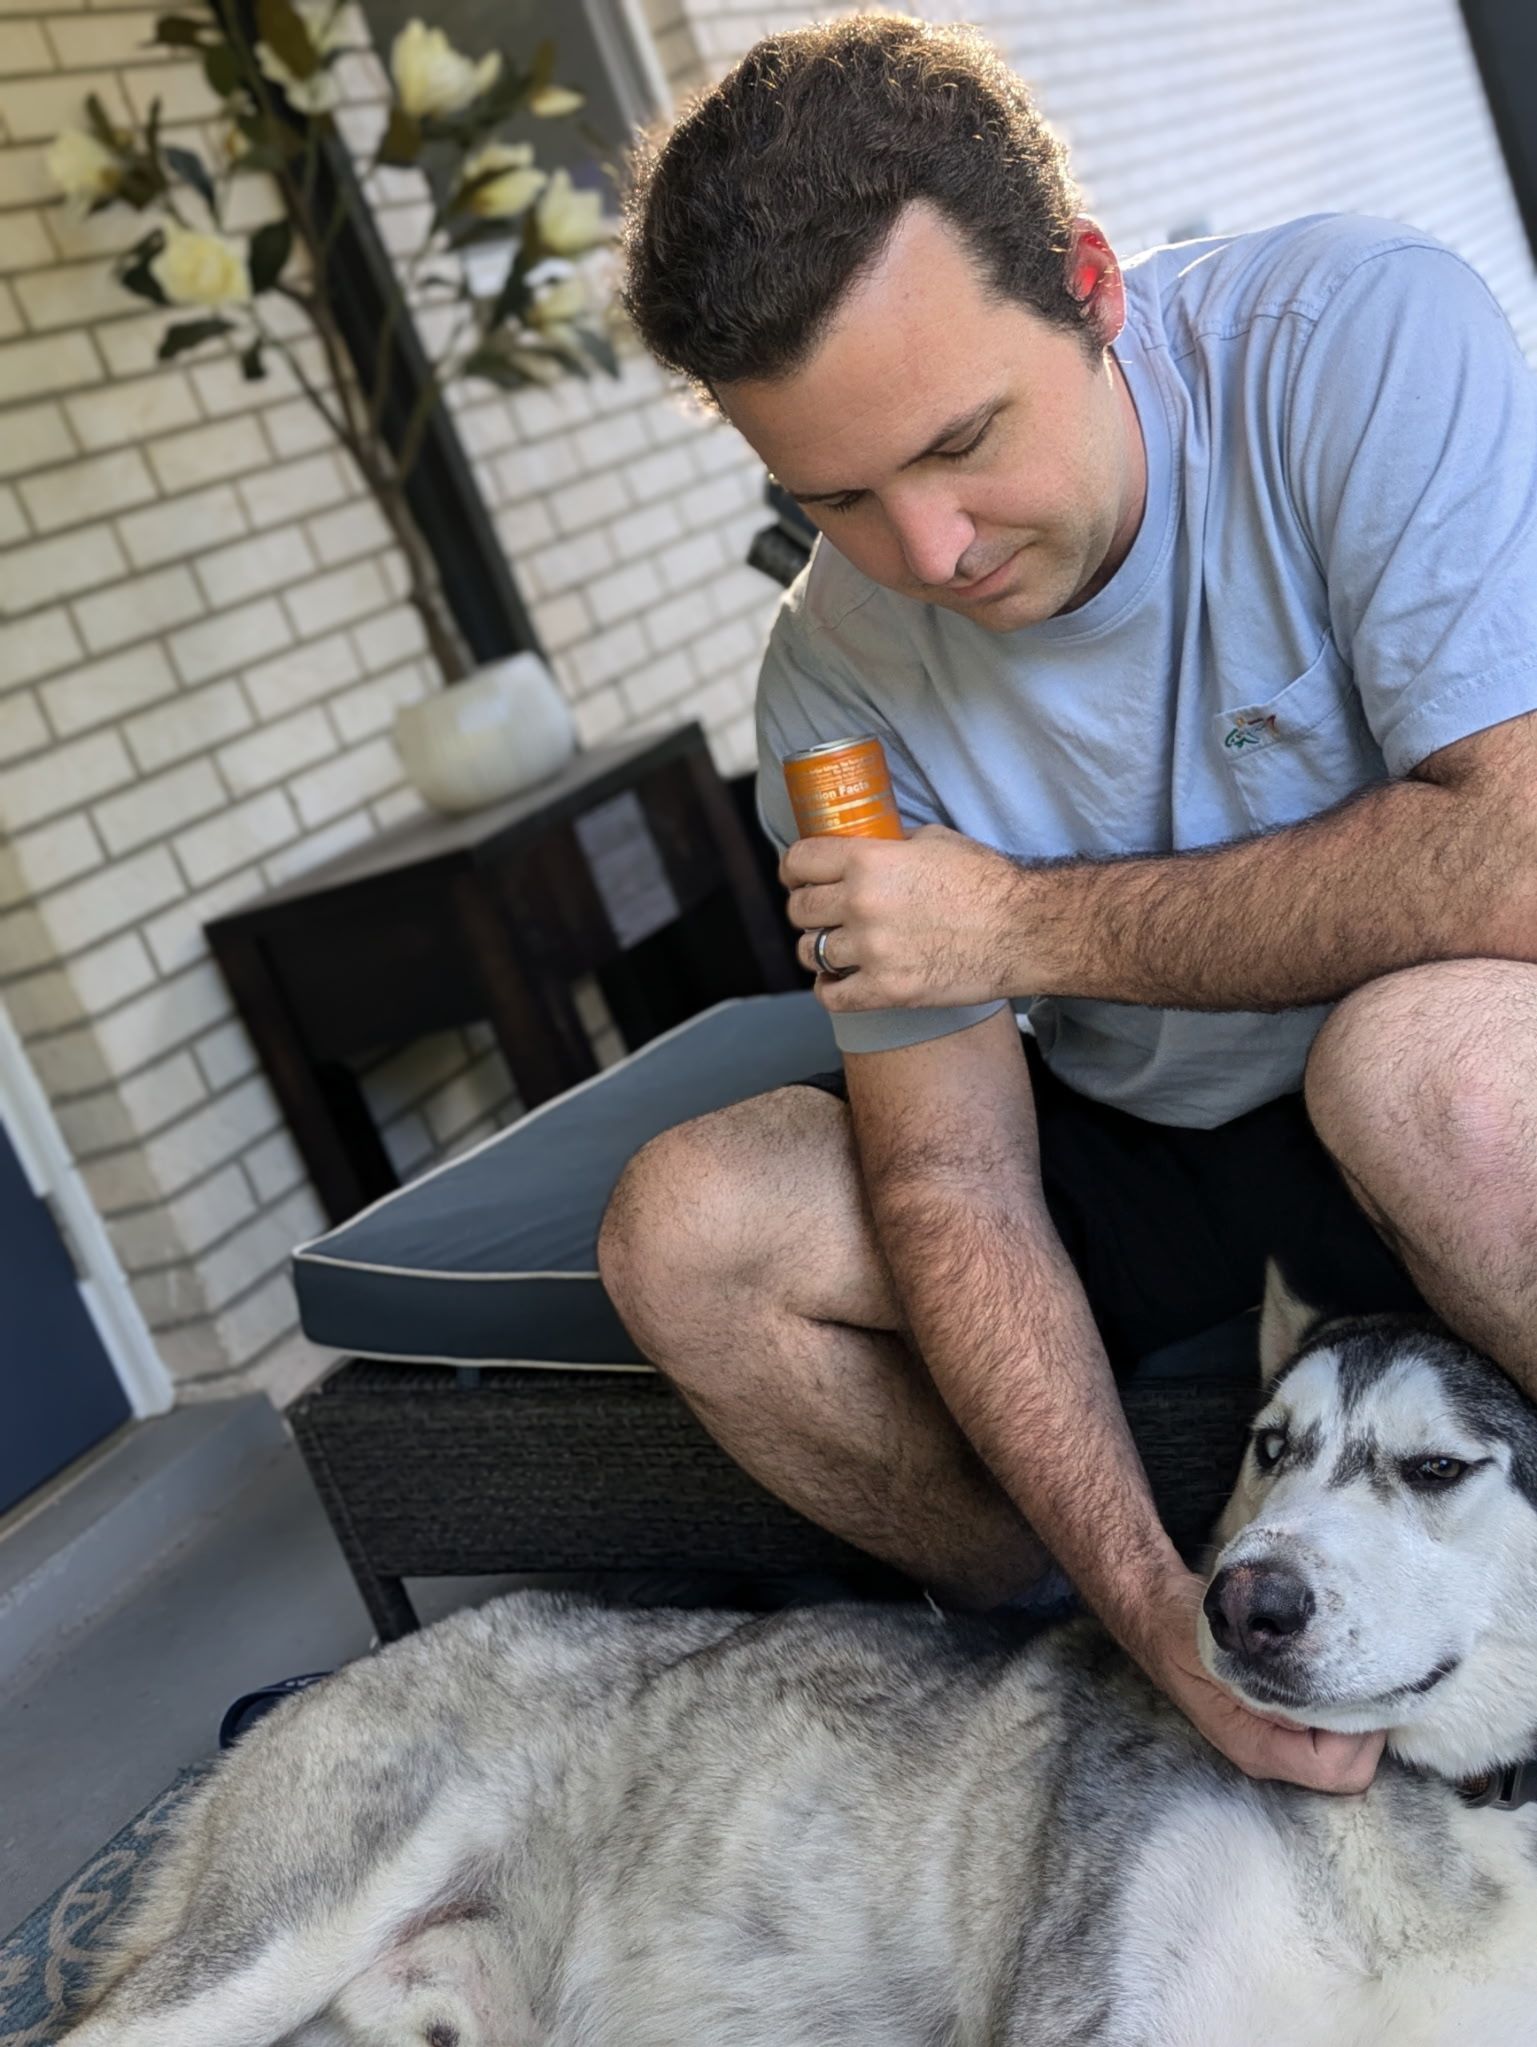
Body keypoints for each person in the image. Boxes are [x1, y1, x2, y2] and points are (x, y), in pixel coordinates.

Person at [599, 12, 1537, 1794]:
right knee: (692, 1231)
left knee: (1421, 1072)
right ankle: (1059, 1659)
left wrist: (1018, 925)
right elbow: (949, 1172)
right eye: (835, 499)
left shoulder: (1354, 342)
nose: (928, 553)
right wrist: (1150, 1618)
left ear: (1091, 286)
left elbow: (1515, 856)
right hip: (1159, 1128)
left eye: (962, 442)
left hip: (1452, 1052)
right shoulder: (826, 691)